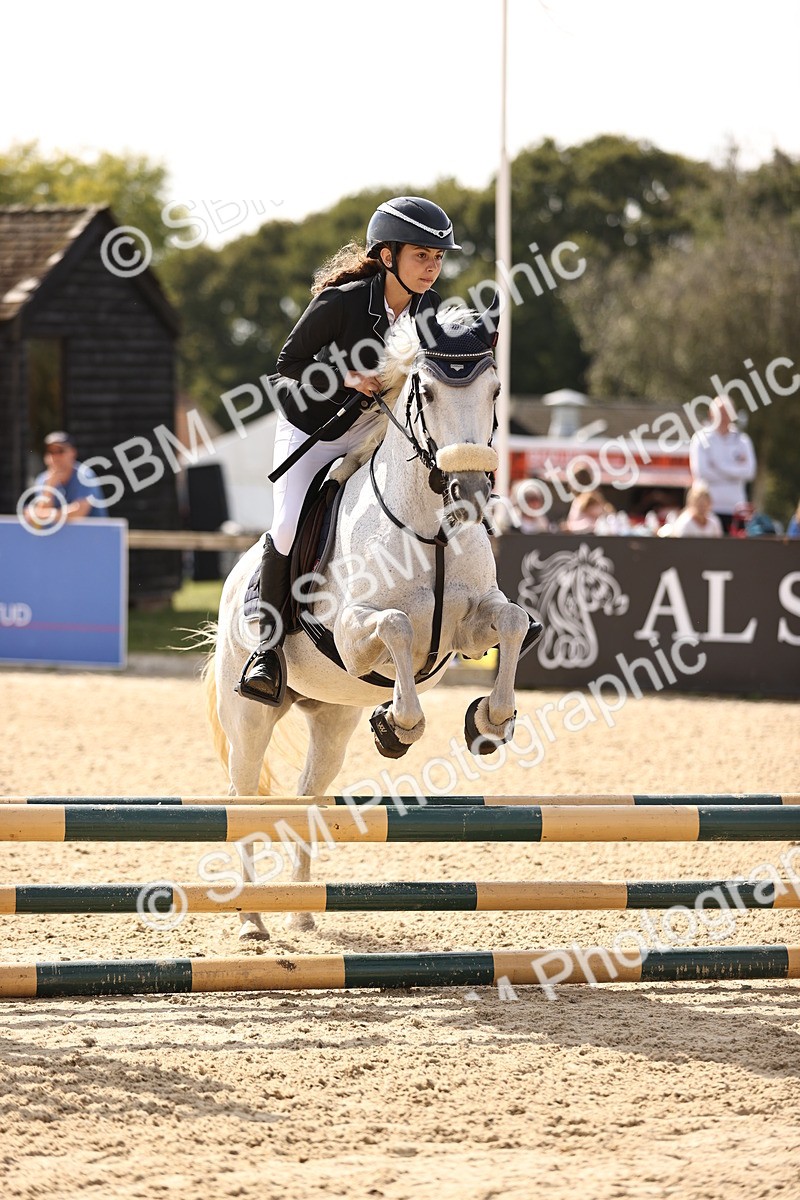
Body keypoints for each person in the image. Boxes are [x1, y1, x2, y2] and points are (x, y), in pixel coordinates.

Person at [239, 196, 459, 705]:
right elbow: (286, 365)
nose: (432, 266)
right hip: (312, 429)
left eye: (438, 257)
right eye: (421, 255)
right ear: (388, 257)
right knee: (290, 522)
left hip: (373, 430)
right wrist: (343, 376)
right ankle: (267, 650)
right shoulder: (343, 302)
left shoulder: (431, 312)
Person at [689, 395, 756, 533]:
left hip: (736, 509)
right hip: (708, 512)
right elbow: (702, 472)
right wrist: (735, 473)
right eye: (720, 412)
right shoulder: (701, 439)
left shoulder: (742, 440)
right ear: (711, 413)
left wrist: (719, 466)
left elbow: (749, 472)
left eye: (727, 412)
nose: (724, 417)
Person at [25, 432, 106, 525]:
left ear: (73, 453)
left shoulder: (85, 475)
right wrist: (49, 488)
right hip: (60, 538)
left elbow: (79, 513)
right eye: (51, 452)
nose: (55, 457)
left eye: (60, 451)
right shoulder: (43, 479)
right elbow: (39, 519)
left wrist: (43, 515)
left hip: (94, 537)